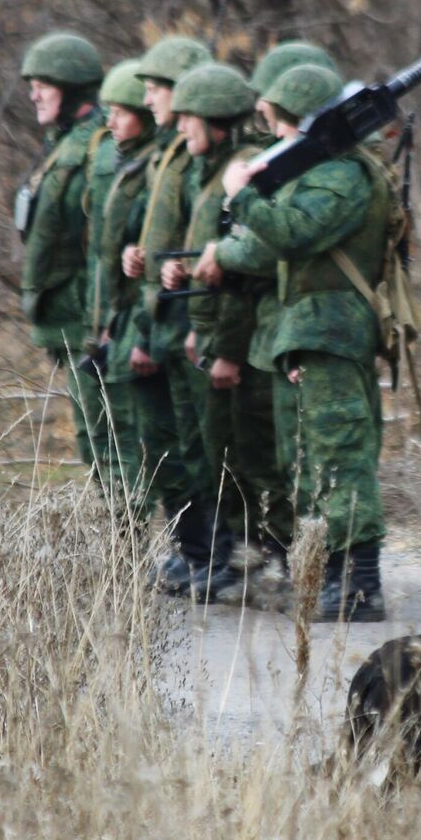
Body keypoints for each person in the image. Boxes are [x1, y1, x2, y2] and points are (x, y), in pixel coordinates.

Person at [215, 62, 396, 622]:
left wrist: (240, 197)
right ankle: (335, 580)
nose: (274, 134)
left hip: (333, 330)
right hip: (315, 331)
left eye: (281, 123)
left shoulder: (339, 176)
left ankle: (361, 588)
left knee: (341, 459)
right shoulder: (324, 172)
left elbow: (294, 233)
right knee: (317, 463)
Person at [158, 63, 294, 599]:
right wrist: (181, 271)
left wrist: (227, 350)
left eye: (188, 118)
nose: (180, 127)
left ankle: (276, 555)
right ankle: (245, 554)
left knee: (256, 458)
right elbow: (212, 257)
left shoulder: (239, 172)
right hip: (218, 334)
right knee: (224, 455)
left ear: (215, 121)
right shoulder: (211, 171)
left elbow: (244, 271)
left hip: (244, 339)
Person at [130, 35, 227, 596]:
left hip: (192, 315)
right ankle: (195, 552)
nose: (148, 100)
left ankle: (215, 555)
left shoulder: (194, 159)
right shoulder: (169, 152)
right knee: (176, 446)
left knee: (202, 448)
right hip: (166, 313)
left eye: (156, 89)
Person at [14, 32, 107, 473]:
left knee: (107, 442)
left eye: (44, 84)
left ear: (71, 88)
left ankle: (132, 539)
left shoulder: (97, 147)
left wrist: (98, 318)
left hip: (92, 322)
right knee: (94, 438)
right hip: (72, 321)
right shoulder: (64, 145)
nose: (33, 93)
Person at [81, 57, 157, 512]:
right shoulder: (117, 163)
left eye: (121, 112)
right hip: (114, 317)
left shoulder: (150, 171)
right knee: (113, 436)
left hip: (136, 318)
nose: (109, 121)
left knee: (134, 436)